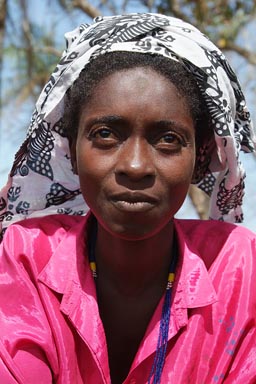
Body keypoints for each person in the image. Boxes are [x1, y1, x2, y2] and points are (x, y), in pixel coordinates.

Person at [0, 12, 255, 384]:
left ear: (198, 155)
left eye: (167, 139)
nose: (135, 166)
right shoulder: (27, 256)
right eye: (105, 134)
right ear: (71, 150)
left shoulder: (238, 268)